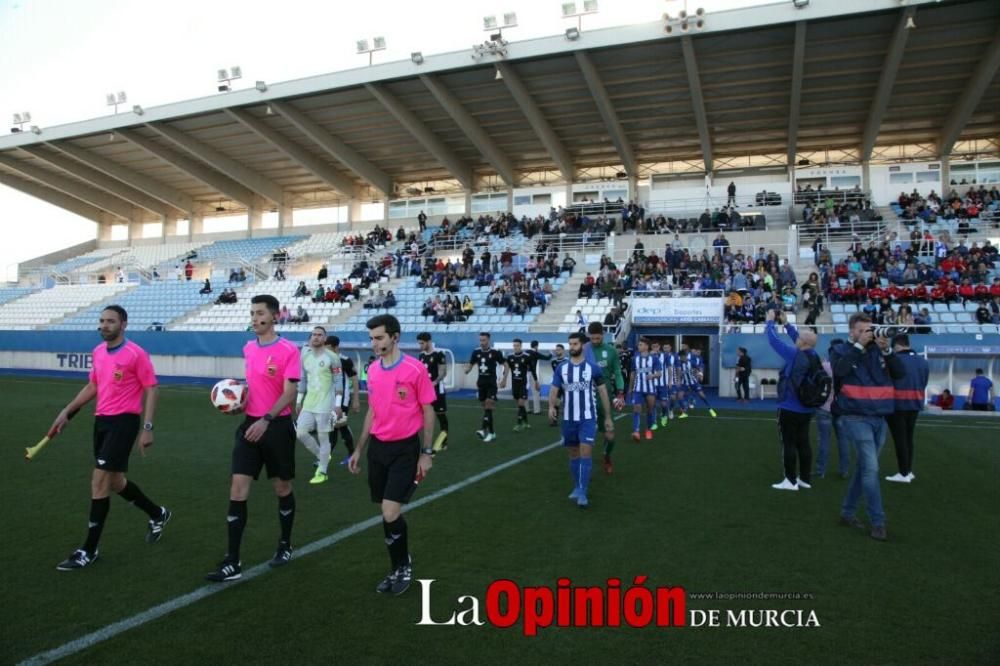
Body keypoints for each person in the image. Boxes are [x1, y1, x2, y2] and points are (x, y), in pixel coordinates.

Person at [48, 305, 170, 571]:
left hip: (124, 423)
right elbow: (93, 385)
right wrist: (68, 411)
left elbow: (152, 388)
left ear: (123, 324)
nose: (104, 325)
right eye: (101, 321)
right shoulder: (98, 352)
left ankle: (88, 550)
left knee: (99, 481)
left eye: (110, 321)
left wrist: (147, 427)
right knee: (115, 481)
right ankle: (157, 513)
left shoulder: (135, 354)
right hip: (102, 422)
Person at [206, 295, 301, 582]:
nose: (255, 317)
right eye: (252, 313)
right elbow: (254, 386)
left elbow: (289, 393)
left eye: (260, 313)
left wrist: (267, 419)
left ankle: (285, 544)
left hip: (277, 427)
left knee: (282, 488)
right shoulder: (248, 348)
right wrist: (239, 404)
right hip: (250, 425)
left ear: (274, 316)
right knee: (237, 490)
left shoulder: (289, 350)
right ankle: (232, 561)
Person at [348, 314, 436, 596]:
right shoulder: (372, 370)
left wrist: (426, 452)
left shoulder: (415, 369)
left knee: (390, 510)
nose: (374, 343)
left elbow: (428, 410)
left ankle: (402, 565)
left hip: (406, 449)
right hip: (378, 447)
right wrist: (359, 449)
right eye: (372, 338)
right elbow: (373, 411)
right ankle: (398, 565)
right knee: (385, 513)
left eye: (379, 338)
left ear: (395, 337)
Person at [830, 313, 906, 542]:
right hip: (855, 416)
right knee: (871, 470)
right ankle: (878, 521)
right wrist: (858, 346)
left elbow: (900, 374)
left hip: (879, 417)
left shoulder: (878, 351)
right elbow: (840, 371)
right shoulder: (840, 349)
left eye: (870, 330)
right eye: (863, 330)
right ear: (852, 331)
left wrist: (887, 351)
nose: (869, 334)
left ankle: (847, 512)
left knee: (864, 468)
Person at [549, 332, 614, 508]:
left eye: (575, 344)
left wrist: (607, 417)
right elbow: (554, 389)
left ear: (582, 346)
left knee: (585, 452)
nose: (572, 347)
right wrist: (551, 407)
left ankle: (583, 492)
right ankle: (577, 487)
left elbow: (602, 392)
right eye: (570, 344)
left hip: (587, 418)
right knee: (573, 454)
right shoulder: (561, 368)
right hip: (569, 419)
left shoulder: (592, 368)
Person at [765, 309, 818, 491]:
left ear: (801, 342)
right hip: (807, 408)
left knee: (788, 443)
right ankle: (804, 478)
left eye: (799, 338)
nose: (796, 338)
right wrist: (786, 324)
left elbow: (773, 340)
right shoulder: (814, 355)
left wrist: (770, 321)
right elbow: (799, 338)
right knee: (803, 442)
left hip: (789, 407)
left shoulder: (793, 353)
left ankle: (790, 480)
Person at [296, 326, 342, 485]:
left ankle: (322, 471)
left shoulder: (333, 357)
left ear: (324, 339)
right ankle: (322, 455)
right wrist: (298, 400)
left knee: (324, 437)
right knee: (300, 433)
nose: (316, 337)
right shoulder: (305, 357)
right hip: (309, 403)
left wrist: (337, 405)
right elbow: (302, 379)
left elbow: (338, 381)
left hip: (326, 405)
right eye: (313, 335)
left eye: (319, 335)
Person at [885, 334, 929, 483]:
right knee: (908, 438)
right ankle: (908, 471)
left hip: (897, 404)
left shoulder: (894, 360)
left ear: (896, 345)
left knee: (900, 440)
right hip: (915, 403)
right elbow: (924, 381)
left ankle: (903, 473)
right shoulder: (922, 361)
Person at [583, 322, 625, 474]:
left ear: (603, 335)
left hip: (605, 398)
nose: (595, 341)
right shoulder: (584, 349)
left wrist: (620, 391)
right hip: (586, 399)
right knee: (584, 437)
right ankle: (583, 466)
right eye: (592, 338)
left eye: (598, 338)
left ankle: (607, 456)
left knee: (610, 436)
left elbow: (618, 372)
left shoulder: (611, 351)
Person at [815, 339, 849, 480]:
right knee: (843, 440)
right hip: (841, 407)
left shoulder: (824, 366)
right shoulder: (848, 366)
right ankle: (844, 470)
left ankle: (821, 470)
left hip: (825, 406)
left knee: (824, 440)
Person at [464, 332, 507, 442]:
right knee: (487, 409)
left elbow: (505, 365)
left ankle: (483, 429)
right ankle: (492, 433)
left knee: (488, 404)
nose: (482, 342)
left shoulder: (495, 352)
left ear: (489, 340)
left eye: (484, 340)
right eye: (480, 340)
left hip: (491, 384)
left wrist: (504, 378)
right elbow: (471, 363)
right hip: (481, 384)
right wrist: (467, 369)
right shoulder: (476, 352)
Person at [327, 336, 360, 465]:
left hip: (342, 400)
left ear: (336, 347)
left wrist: (356, 399)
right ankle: (347, 454)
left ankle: (350, 454)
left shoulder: (345, 360)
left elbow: (355, 379)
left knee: (339, 426)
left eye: (329, 348)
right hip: (329, 400)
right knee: (334, 427)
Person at [417, 332, 449, 453]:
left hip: (437, 390)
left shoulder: (438, 354)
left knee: (441, 416)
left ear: (429, 342)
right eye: (419, 343)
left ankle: (443, 442)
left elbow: (443, 371)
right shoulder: (421, 356)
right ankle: (424, 444)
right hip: (425, 391)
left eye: (422, 343)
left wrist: (435, 382)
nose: (420, 345)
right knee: (423, 417)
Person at [630, 337, 662, 441]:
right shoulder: (635, 358)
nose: (638, 346)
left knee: (650, 409)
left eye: (640, 344)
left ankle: (648, 430)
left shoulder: (654, 358)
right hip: (638, 388)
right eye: (638, 344)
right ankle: (636, 431)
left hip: (650, 389)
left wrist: (653, 376)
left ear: (646, 346)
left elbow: (659, 373)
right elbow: (633, 373)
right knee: (636, 408)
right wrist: (630, 387)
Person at [500, 339, 533, 432]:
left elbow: (532, 369)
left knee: (521, 403)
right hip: (515, 384)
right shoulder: (510, 356)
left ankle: (519, 424)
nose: (515, 347)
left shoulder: (526, 356)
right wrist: (504, 379)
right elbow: (506, 369)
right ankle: (526, 422)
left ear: (521, 346)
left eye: (517, 345)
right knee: (520, 405)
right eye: (514, 345)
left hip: (524, 383)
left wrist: (536, 380)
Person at [675, 350, 717, 419]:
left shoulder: (691, 362)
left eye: (682, 356)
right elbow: (678, 373)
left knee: (702, 396)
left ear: (685, 356)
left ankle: (710, 409)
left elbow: (699, 368)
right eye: (680, 357)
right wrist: (678, 381)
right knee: (679, 396)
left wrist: (700, 374)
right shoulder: (679, 363)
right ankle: (684, 411)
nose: (681, 358)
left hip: (693, 382)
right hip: (684, 383)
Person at [526, 340, 551, 415]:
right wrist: (551, 353)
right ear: (536, 346)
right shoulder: (535, 353)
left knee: (524, 392)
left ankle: (526, 409)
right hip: (532, 374)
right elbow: (547, 358)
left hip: (524, 373)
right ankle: (536, 410)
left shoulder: (526, 352)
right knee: (536, 392)